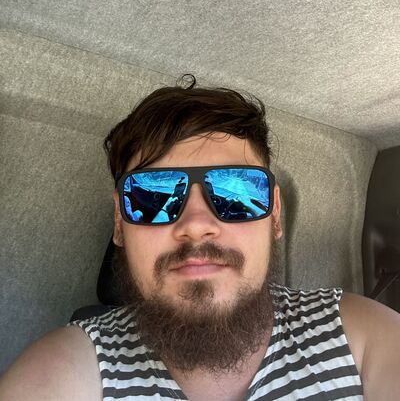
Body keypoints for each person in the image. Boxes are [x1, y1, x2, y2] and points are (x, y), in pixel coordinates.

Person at [1, 75, 400, 401]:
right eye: (152, 196)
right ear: (120, 224)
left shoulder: (360, 335)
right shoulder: (71, 367)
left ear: (275, 214)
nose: (195, 224)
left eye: (235, 193)